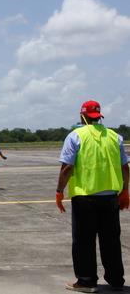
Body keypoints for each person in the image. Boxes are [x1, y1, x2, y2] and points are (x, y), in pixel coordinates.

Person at [56, 100, 130, 293]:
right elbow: (125, 167)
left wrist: (59, 191)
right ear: (99, 116)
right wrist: (125, 191)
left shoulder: (75, 136)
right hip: (110, 198)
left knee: (84, 241)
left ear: (82, 116)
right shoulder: (115, 137)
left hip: (85, 197)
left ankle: (86, 281)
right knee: (111, 241)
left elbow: (68, 168)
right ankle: (116, 280)